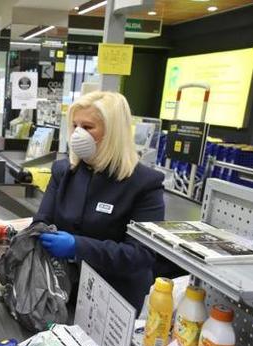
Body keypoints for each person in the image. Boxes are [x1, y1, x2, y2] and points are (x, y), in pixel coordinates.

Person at [34, 91, 165, 312]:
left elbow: (141, 255)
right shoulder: (64, 172)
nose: (77, 134)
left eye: (87, 127)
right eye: (75, 126)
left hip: (113, 302)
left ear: (113, 133)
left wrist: (78, 246)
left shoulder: (144, 184)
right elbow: (42, 220)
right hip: (62, 293)